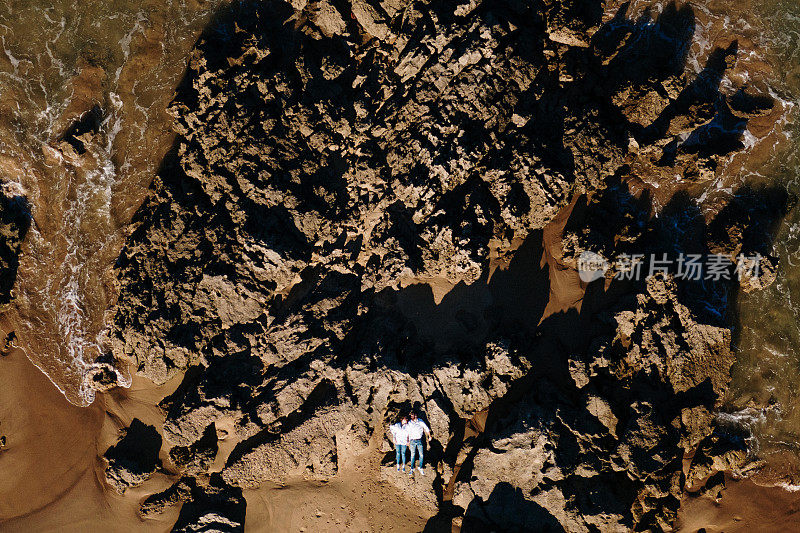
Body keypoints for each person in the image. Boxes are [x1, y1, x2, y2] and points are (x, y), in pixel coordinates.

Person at [407, 411, 431, 476]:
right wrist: (407, 441)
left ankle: (420, 467)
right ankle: (412, 468)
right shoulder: (409, 423)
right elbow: (408, 432)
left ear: (416, 415)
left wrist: (429, 436)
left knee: (421, 454)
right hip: (412, 441)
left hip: (419, 440)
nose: (412, 416)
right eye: (411, 415)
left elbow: (426, 428)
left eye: (413, 415)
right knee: (412, 455)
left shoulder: (420, 421)